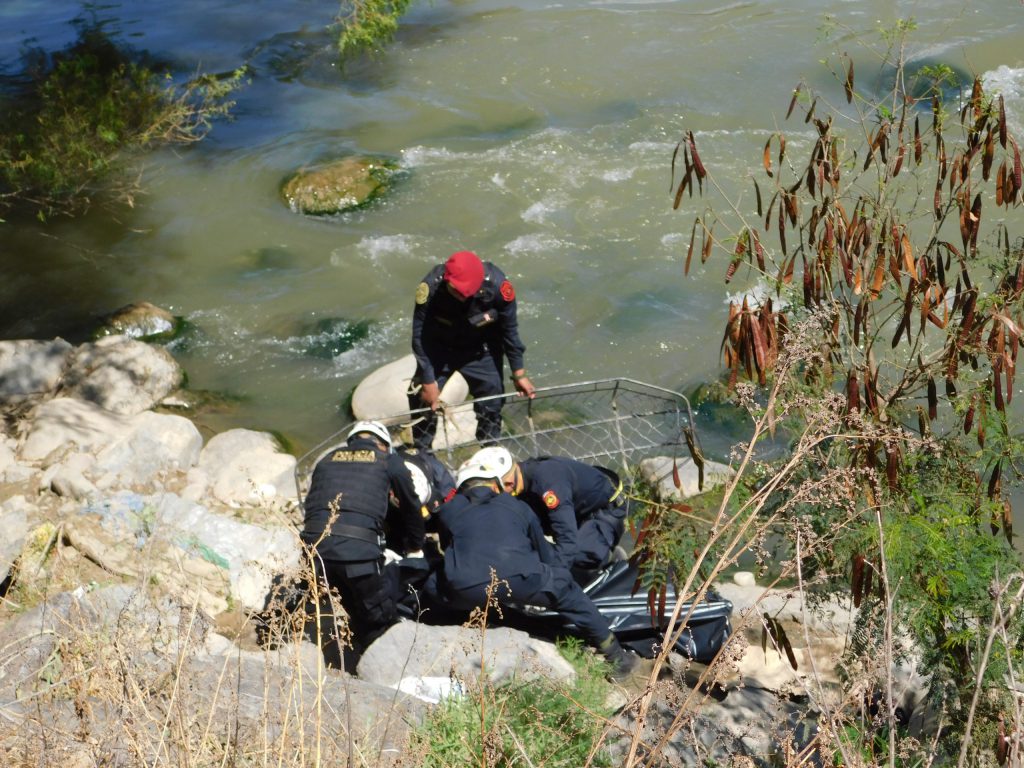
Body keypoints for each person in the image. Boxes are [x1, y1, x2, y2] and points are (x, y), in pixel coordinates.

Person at [428, 447, 639, 679]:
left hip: (598, 516)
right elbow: (543, 552)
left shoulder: (448, 511)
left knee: (432, 583)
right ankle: (617, 658)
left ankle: (603, 561)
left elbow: (450, 550)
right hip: (524, 578)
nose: (507, 490)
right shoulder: (515, 505)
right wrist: (558, 583)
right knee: (572, 596)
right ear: (494, 484)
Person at [300, 420, 425, 665]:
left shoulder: (326, 459)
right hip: (359, 556)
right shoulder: (389, 460)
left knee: (346, 598)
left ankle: (346, 645)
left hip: (315, 555)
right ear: (384, 445)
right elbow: (411, 506)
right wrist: (415, 545)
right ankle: (373, 668)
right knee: (377, 616)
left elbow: (312, 505)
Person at [409, 250, 536, 449]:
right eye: (457, 291)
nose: (462, 296)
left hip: (481, 351)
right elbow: (419, 335)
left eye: (467, 292)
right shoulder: (431, 287)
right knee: (421, 399)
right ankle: (421, 451)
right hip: (440, 349)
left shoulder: (498, 286)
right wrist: (427, 380)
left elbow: (509, 331)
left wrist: (519, 373)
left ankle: (489, 449)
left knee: (492, 404)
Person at [490, 447, 628, 575]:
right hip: (577, 513)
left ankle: (610, 559)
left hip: (604, 512)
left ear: (508, 483)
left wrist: (556, 579)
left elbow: (566, 536)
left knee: (574, 554)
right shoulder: (522, 483)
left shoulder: (548, 478)